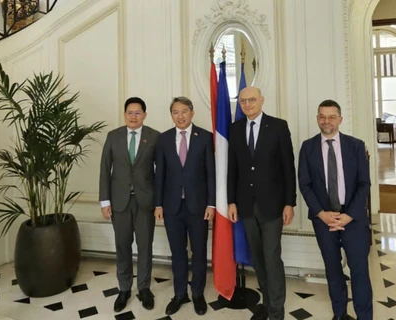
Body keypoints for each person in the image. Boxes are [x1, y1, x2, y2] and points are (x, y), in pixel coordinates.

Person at [298, 99, 372, 320]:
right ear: (317, 119)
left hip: (353, 219)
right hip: (323, 220)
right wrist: (322, 214)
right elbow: (305, 184)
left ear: (340, 119)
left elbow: (364, 184)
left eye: (331, 117)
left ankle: (364, 316)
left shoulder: (356, 145)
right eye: (322, 116)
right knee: (333, 271)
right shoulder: (307, 147)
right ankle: (339, 314)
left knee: (359, 272)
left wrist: (349, 216)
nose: (326, 121)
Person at [227, 86, 296, 320]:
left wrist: (290, 203)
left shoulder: (278, 126)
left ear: (262, 101)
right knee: (257, 258)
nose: (247, 104)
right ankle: (267, 303)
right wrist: (231, 202)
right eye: (243, 101)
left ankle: (276, 312)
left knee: (272, 257)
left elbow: (288, 167)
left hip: (273, 206)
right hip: (245, 206)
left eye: (252, 100)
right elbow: (232, 169)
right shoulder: (235, 129)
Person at [154, 96, 215, 316]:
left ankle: (197, 293)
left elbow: (211, 174)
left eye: (184, 111)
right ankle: (180, 294)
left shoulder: (205, 138)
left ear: (192, 113)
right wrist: (158, 204)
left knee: (199, 252)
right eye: (175, 112)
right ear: (171, 115)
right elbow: (159, 174)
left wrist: (212, 204)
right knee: (177, 252)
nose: (180, 116)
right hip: (171, 207)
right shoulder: (164, 139)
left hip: (199, 206)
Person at [99, 97, 160, 313]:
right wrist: (105, 201)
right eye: (129, 113)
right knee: (122, 246)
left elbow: (160, 173)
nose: (133, 116)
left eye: (137, 113)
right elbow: (105, 170)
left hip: (145, 201)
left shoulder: (154, 137)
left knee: (145, 247)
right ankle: (124, 288)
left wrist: (159, 202)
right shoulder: (113, 136)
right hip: (119, 202)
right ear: (124, 114)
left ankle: (144, 288)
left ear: (144, 114)